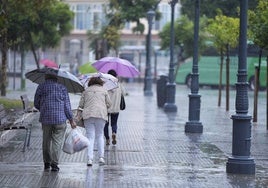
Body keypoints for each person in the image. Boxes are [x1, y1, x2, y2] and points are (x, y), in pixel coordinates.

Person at [34, 73, 76, 172]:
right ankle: (54, 164)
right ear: (57, 77)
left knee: (46, 141)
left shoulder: (41, 86)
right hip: (60, 119)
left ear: (46, 77)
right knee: (57, 142)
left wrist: (43, 108)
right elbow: (66, 106)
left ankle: (46, 163)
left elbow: (36, 103)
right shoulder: (62, 87)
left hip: (46, 119)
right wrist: (71, 120)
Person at [77, 76, 111, 166]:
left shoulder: (86, 91)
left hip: (88, 115)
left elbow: (81, 104)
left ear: (90, 82)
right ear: (100, 82)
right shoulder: (104, 91)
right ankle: (101, 158)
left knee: (90, 137)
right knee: (100, 135)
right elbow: (109, 104)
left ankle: (89, 159)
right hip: (101, 115)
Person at [104, 69, 125, 146]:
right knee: (114, 123)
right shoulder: (118, 84)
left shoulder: (105, 84)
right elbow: (124, 93)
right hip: (116, 108)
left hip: (106, 107)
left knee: (105, 124)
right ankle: (114, 132)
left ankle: (107, 139)